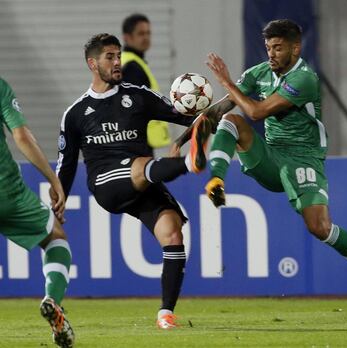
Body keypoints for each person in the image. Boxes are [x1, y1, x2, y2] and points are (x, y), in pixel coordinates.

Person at [189, 19, 347, 304]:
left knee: (318, 226)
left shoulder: (304, 78)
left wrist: (226, 81)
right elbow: (222, 107)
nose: (271, 54)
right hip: (272, 156)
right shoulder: (260, 73)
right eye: (268, 47)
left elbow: (256, 112)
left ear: (295, 48)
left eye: (278, 48)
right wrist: (184, 138)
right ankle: (217, 179)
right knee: (231, 120)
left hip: (304, 158)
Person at [55, 33, 209, 329]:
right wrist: (58, 203)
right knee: (140, 165)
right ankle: (189, 164)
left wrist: (203, 120)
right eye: (109, 57)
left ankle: (166, 314)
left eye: (118, 56)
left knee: (172, 233)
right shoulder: (75, 114)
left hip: (144, 181)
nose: (117, 62)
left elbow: (188, 117)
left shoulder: (138, 96)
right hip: (106, 184)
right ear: (92, 63)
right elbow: (67, 165)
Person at [0, 78, 75, 347]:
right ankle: (52, 300)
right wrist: (53, 181)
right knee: (55, 237)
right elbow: (21, 135)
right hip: (7, 192)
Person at [121, 13, 171, 155]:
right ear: (127, 37)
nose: (146, 37)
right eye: (141, 33)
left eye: (148, 33)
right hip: (138, 142)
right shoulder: (132, 67)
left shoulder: (130, 62)